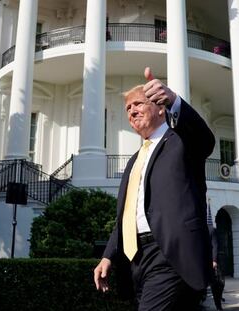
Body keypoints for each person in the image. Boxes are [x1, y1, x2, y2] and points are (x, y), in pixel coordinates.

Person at [93, 67, 215, 310]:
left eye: (138, 104)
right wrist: (108, 256)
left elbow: (205, 139)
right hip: (136, 259)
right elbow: (126, 217)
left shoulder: (181, 140)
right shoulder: (134, 161)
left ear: (160, 108)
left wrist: (174, 100)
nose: (132, 111)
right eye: (128, 108)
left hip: (170, 252)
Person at [209, 225, 224, 310]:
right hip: (200, 262)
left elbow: (215, 245)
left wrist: (214, 260)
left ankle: (218, 305)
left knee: (218, 284)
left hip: (212, 262)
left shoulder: (211, 230)